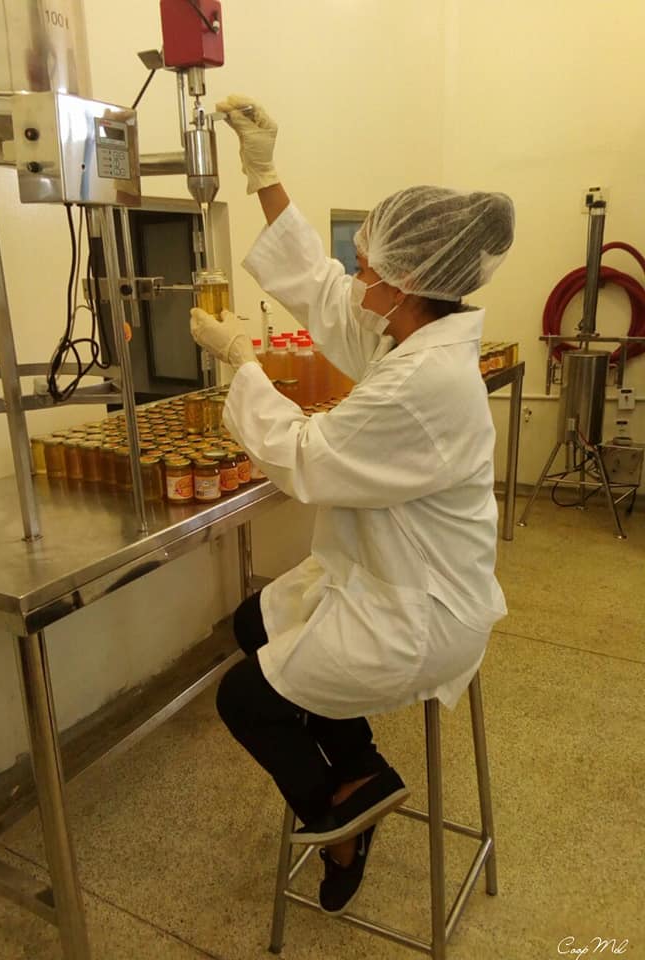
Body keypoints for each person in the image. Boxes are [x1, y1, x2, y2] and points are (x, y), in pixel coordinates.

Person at [189, 94, 515, 916]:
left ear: (408, 285)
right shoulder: (412, 332)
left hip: (422, 611)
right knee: (252, 623)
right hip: (387, 574)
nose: (357, 277)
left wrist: (241, 364)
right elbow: (321, 289)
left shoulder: (423, 382)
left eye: (370, 267)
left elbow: (305, 459)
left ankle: (337, 819)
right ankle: (362, 769)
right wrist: (264, 173)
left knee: (241, 698)